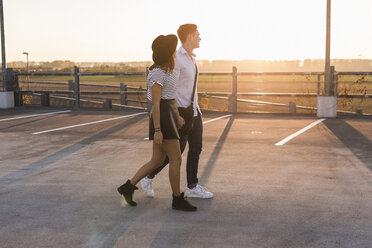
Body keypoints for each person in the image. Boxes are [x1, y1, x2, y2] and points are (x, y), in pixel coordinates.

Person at [117, 34, 197, 212]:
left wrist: (177, 116)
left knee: (157, 160)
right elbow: (156, 103)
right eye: (173, 50)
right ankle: (177, 199)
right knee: (175, 158)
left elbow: (170, 98)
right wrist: (158, 130)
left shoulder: (167, 71)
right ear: (168, 52)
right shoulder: (157, 73)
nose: (176, 53)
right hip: (161, 117)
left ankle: (127, 187)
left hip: (168, 114)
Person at [140, 24, 213, 199]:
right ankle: (148, 177)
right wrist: (176, 114)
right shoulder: (177, 59)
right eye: (197, 34)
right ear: (189, 36)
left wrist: (195, 108)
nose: (200, 37)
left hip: (193, 110)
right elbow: (170, 87)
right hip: (179, 111)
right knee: (176, 152)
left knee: (196, 147)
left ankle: (192, 186)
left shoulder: (191, 57)